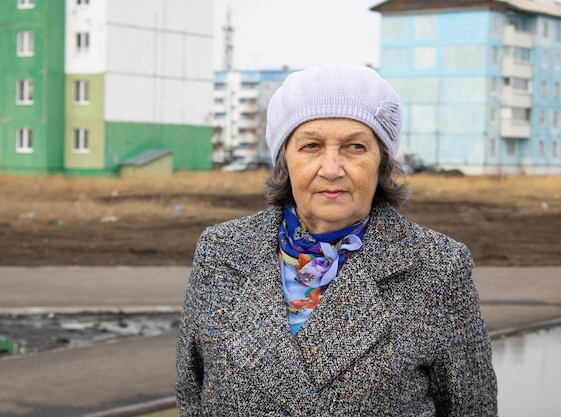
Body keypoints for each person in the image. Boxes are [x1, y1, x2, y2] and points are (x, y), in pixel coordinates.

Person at [175, 64, 497, 416]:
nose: (331, 168)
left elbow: (471, 408)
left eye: (354, 147)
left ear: (382, 162)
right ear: (284, 160)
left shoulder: (437, 266)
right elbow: (192, 397)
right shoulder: (220, 251)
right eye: (311, 146)